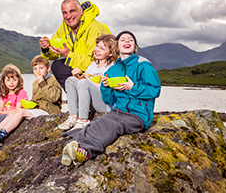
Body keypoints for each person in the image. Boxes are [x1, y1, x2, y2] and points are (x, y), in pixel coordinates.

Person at [61, 31, 161, 167]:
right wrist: (106, 87)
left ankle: (85, 153)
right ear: (117, 47)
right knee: (97, 124)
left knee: (111, 126)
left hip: (138, 115)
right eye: (123, 40)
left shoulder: (143, 65)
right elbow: (109, 99)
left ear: (135, 47)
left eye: (130, 40)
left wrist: (132, 87)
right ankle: (72, 148)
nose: (127, 41)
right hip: (118, 111)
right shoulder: (112, 71)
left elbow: (155, 90)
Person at [0, 55, 63, 147]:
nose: (38, 71)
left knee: (20, 111)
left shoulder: (54, 79)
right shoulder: (35, 83)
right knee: (13, 111)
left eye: (41, 68)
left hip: (50, 111)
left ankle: (1, 135)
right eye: (35, 69)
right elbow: (36, 100)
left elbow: (53, 98)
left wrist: (41, 82)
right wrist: (29, 103)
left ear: (48, 68)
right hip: (38, 110)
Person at [39, 0, 111, 91]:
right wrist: (46, 48)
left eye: (72, 11)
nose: (68, 16)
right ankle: (75, 97)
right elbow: (55, 49)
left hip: (100, 72)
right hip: (79, 67)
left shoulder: (97, 29)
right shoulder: (64, 26)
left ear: (81, 11)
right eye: (64, 13)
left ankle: (88, 98)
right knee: (57, 66)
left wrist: (69, 55)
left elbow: (96, 63)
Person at [58, 34, 118, 131]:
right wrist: (78, 76)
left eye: (102, 48)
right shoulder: (94, 64)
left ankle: (83, 120)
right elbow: (84, 82)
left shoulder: (112, 67)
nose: (97, 49)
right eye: (97, 46)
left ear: (111, 53)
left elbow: (105, 89)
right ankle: (73, 116)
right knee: (71, 80)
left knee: (84, 82)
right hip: (92, 101)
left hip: (104, 104)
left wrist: (87, 80)